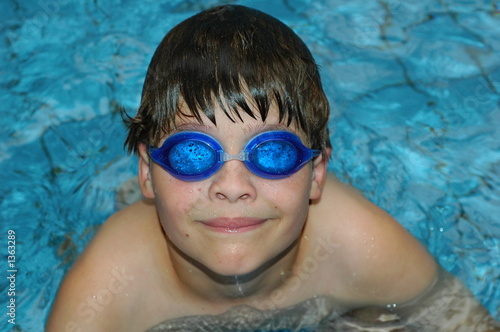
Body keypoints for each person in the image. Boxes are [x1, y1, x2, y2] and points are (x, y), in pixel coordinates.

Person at [46, 4, 499, 332]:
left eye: (273, 153)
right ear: (147, 170)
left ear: (316, 173)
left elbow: (467, 323)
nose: (232, 186)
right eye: (192, 154)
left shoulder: (362, 247)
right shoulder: (107, 291)